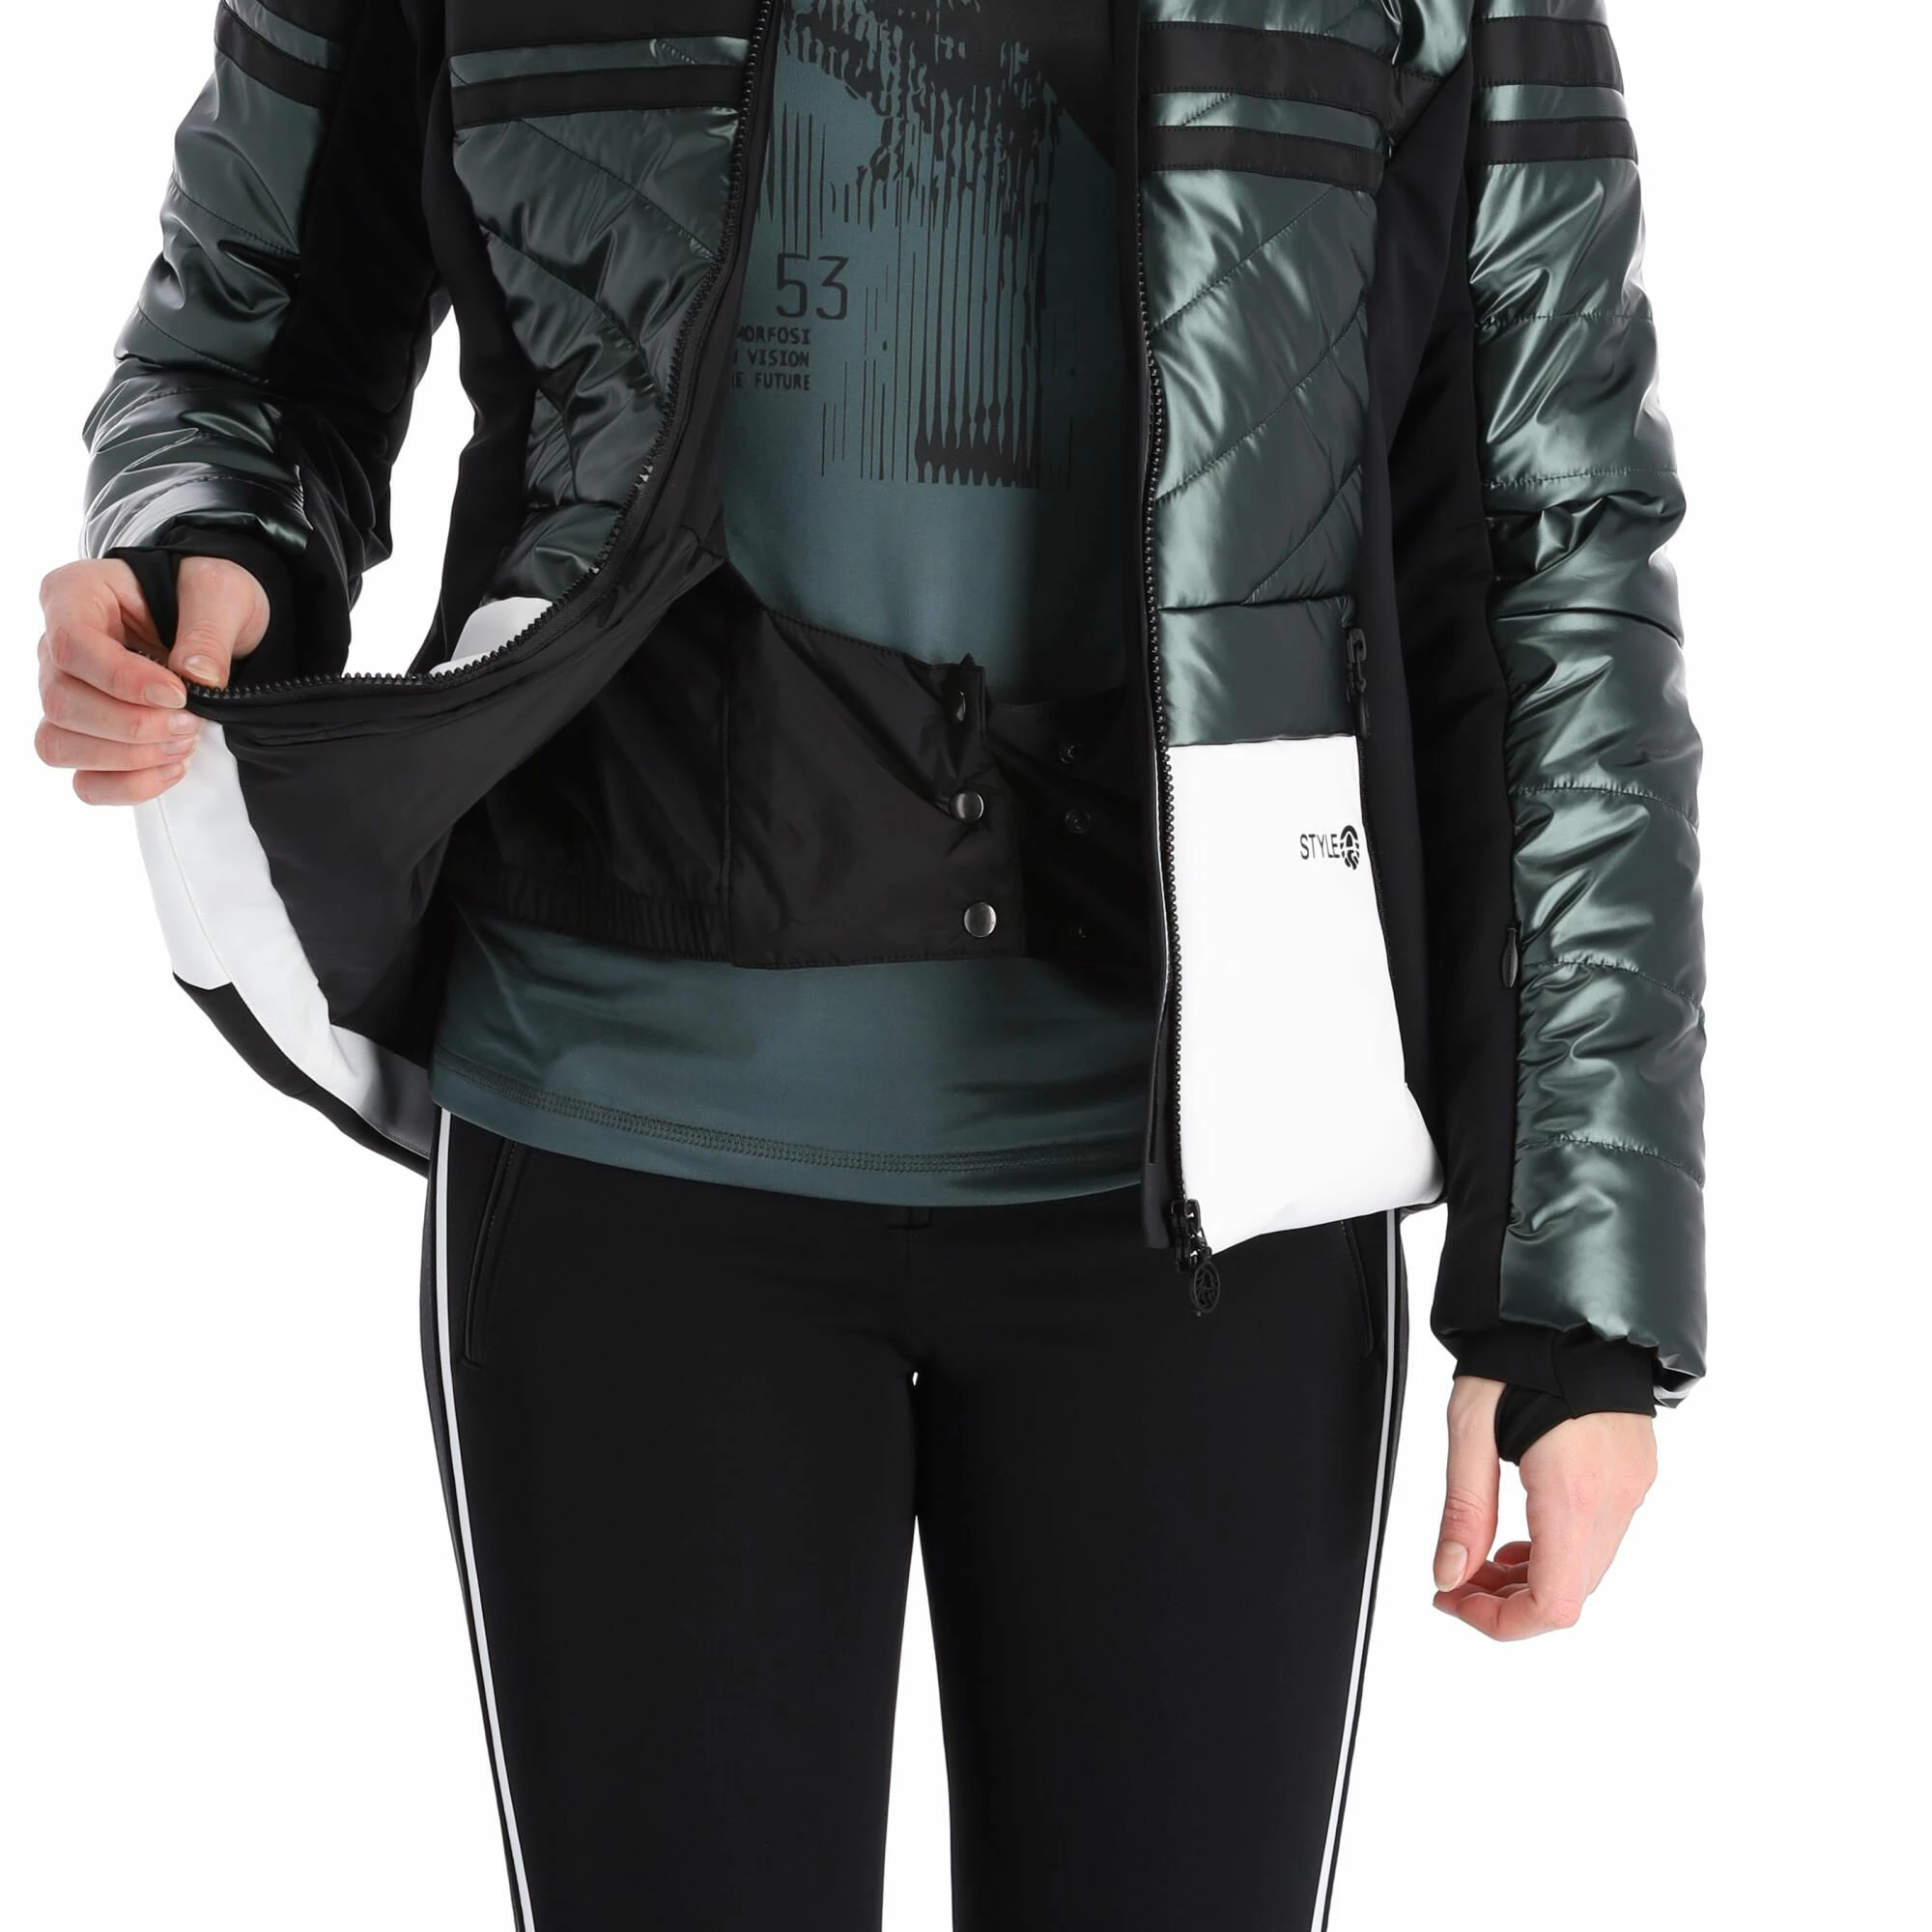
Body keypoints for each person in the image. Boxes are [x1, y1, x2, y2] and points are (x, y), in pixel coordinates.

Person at [34, 2, 1704, 1926]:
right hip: (625, 1146)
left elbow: (1549, 544)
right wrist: (205, 554)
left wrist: (1571, 1298)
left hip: (1210, 1179)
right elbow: (246, 345)